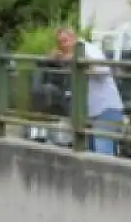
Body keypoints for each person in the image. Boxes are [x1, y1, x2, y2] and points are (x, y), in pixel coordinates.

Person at [50, 26, 125, 156]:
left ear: (74, 38)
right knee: (91, 153)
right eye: (60, 43)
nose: (63, 45)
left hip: (105, 109)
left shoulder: (88, 49)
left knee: (102, 152)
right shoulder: (73, 55)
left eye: (65, 40)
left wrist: (80, 60)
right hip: (91, 112)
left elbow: (102, 70)